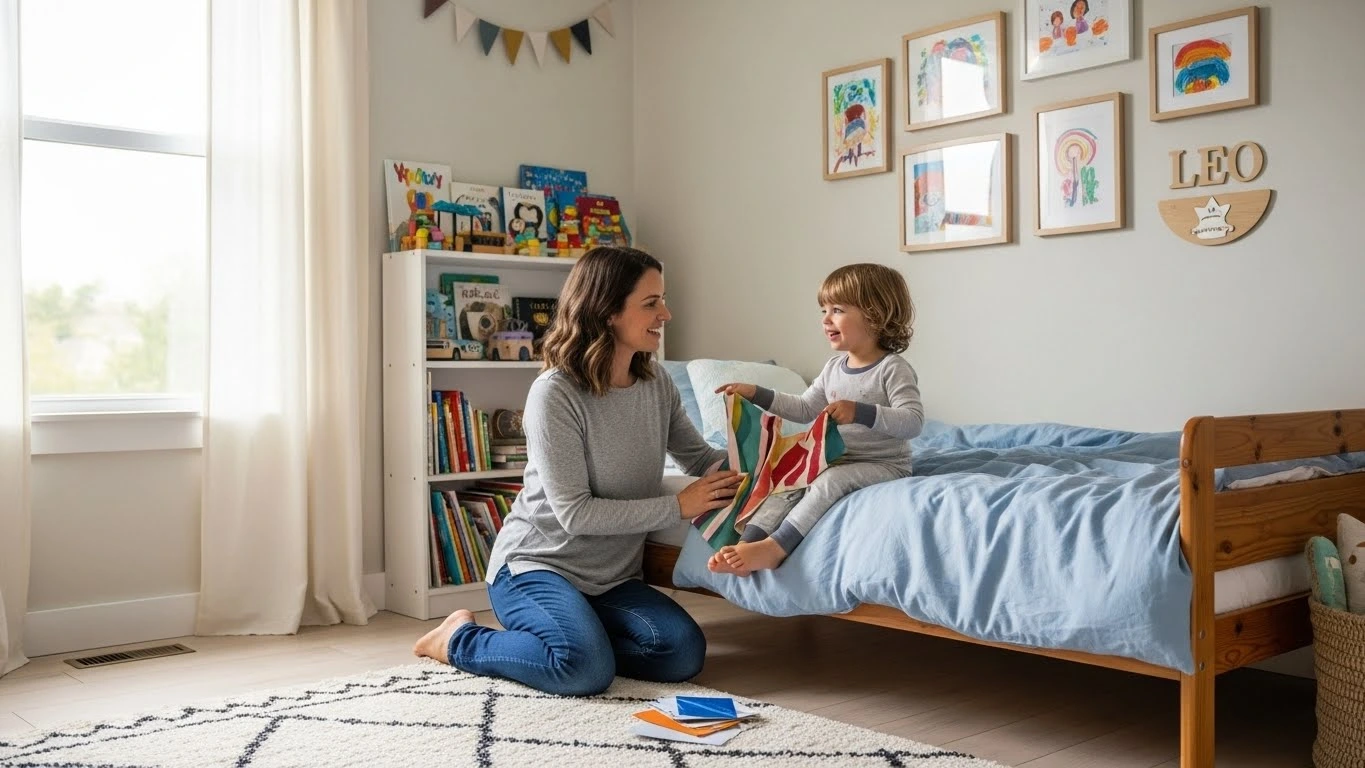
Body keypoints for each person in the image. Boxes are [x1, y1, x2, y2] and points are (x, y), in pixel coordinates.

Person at [414, 246, 742, 697]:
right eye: (651, 303)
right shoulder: (555, 393)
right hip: (537, 567)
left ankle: (581, 639)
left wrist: (767, 461)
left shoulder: (656, 383)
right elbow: (574, 515)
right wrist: (677, 507)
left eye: (662, 300)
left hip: (612, 579)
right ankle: (457, 639)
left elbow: (700, 459)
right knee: (583, 671)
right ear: (606, 311)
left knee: (682, 653)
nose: (665, 313)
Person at [708, 263, 924, 576]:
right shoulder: (834, 367)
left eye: (837, 310)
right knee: (786, 480)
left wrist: (860, 411)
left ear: (875, 314)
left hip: (884, 465)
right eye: (823, 310)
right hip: (834, 457)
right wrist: (755, 392)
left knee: (830, 481)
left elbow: (913, 421)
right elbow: (804, 408)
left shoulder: (892, 368)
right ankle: (749, 542)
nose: (825, 320)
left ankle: (775, 548)